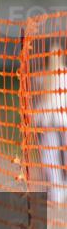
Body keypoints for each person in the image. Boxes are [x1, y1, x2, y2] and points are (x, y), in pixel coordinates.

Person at [37, 43, 67, 204]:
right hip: (58, 123)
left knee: (51, 159)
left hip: (51, 124)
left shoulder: (44, 76)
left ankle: (57, 192)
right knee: (54, 160)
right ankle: (58, 191)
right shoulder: (57, 75)